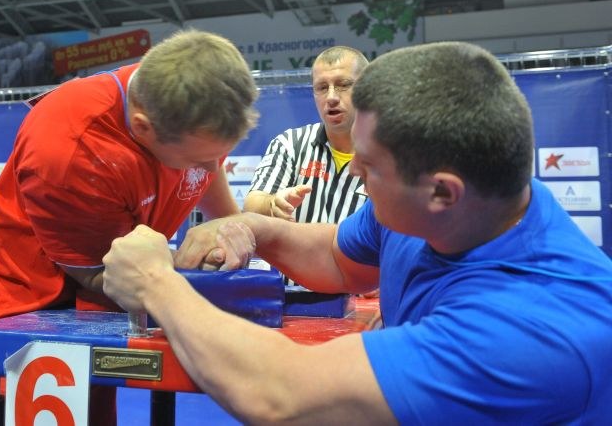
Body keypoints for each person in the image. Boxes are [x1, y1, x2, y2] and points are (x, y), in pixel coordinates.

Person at [102, 41, 612, 424]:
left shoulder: (532, 329)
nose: (351, 174)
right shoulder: (462, 208)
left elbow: (280, 395)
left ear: (441, 192)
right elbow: (338, 258)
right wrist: (249, 225)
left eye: (368, 166)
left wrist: (154, 282)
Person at [0, 29, 259, 425]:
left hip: (102, 295)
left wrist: (228, 225)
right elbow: (99, 273)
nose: (209, 168)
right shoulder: (68, 152)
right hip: (33, 309)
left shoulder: (188, 94)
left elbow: (207, 161)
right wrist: (185, 269)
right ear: (143, 126)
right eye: (197, 159)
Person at [244, 46, 368, 223]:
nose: (331, 97)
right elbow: (252, 204)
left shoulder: (390, 155)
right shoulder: (290, 144)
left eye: (343, 85)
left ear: (367, 88)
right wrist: (272, 203)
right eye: (322, 87)